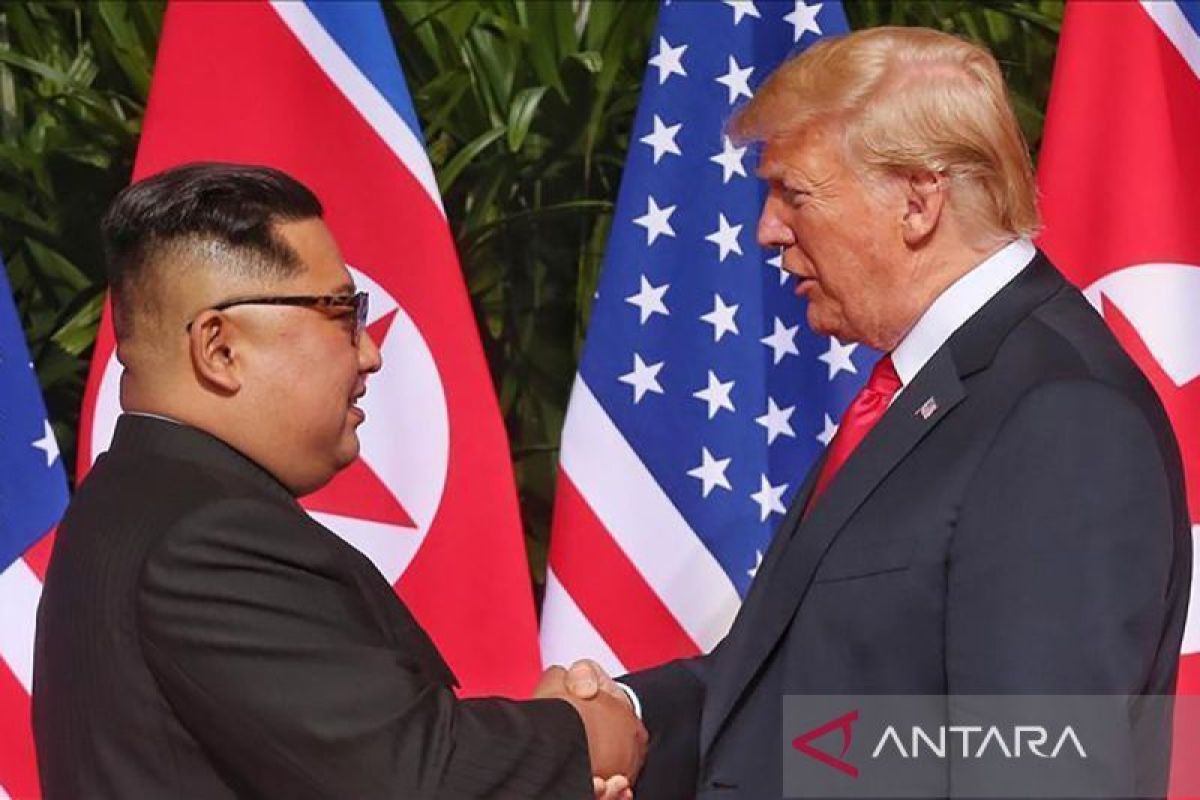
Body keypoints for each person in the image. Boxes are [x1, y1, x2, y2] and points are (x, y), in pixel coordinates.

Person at [563, 26, 1192, 799]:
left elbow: (1035, 767)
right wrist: (615, 721)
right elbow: (786, 691)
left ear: (918, 202)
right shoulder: (929, 387)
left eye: (794, 193)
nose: (767, 230)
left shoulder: (1062, 418)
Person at [32, 162, 644, 799]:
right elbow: (413, 780)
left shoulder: (135, 505)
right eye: (343, 312)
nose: (370, 353)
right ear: (220, 348)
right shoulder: (207, 539)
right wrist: (585, 733)